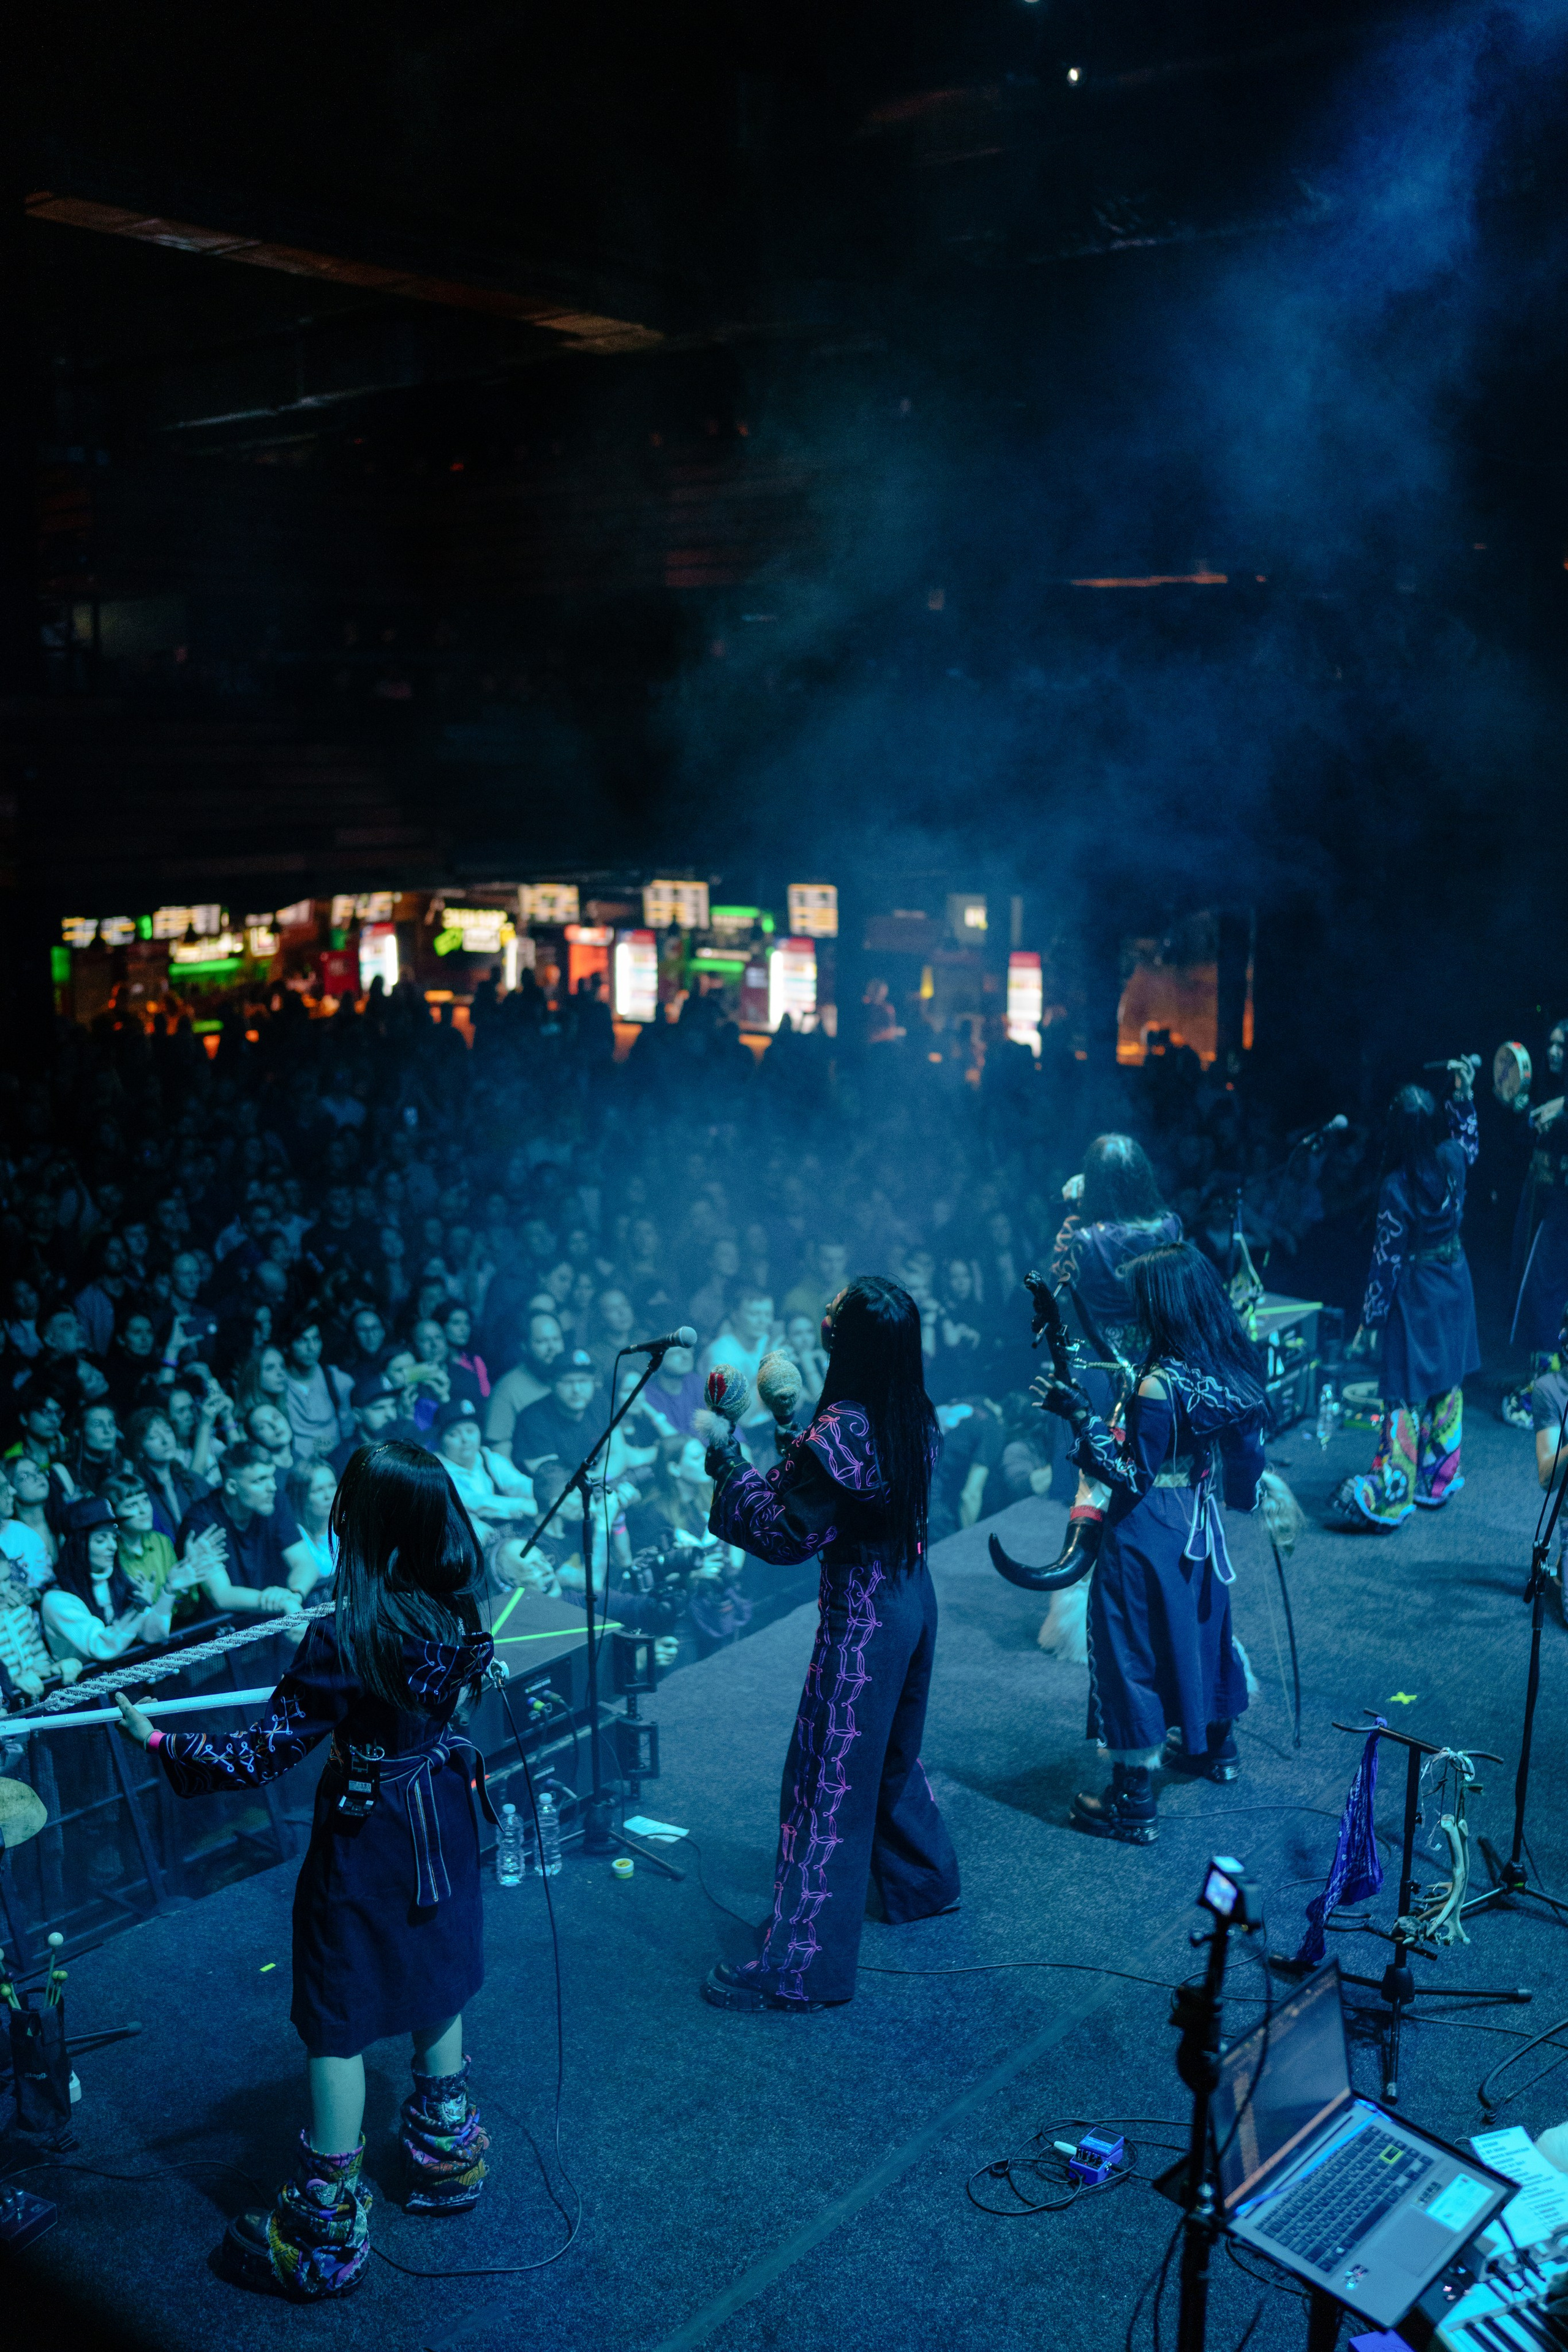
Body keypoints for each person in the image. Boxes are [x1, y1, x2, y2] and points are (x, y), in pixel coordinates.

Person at [115, 1442, 499, 2297]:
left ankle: (325, 2229)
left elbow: (262, 1752)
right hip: (438, 1810)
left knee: (339, 2011)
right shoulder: (455, 1608)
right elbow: (454, 1694)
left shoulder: (346, 1635)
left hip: (369, 1835)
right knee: (435, 1976)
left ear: (363, 1525)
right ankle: (446, 2160)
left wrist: (157, 1742)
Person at [698, 1275, 959, 2012]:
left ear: (848, 1342)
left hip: (866, 1616)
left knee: (825, 1783)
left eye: (834, 1316)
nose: (821, 1318)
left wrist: (729, 1461)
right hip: (912, 1593)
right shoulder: (911, 1409)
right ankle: (923, 1885)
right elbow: (839, 1489)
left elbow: (786, 1533)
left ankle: (799, 1967)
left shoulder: (843, 1425)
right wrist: (793, 1438)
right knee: (890, 1761)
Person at [1033, 1242, 1265, 1845]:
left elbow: (1132, 1472)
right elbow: (1246, 1453)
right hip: (1198, 1518)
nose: (1136, 1314)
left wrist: (1080, 1420)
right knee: (1202, 1630)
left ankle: (1131, 1801)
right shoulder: (1225, 1368)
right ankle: (1218, 1749)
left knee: (1128, 1650)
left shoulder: (1158, 1386)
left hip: (1146, 1528)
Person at [1335, 1065, 1479, 1530]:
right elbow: (1468, 1139)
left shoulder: (1396, 1187)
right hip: (1455, 1280)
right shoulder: (1453, 1159)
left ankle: (1394, 1491)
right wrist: (1464, 1094)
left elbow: (1387, 1260)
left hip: (1417, 1290)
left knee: (1404, 1388)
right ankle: (1437, 1481)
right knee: (1445, 1381)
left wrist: (1371, 1321)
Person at [40, 1496, 192, 1667]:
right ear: (78, 1546)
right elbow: (101, 1647)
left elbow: (153, 1635)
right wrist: (136, 1611)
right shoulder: (57, 1600)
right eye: (101, 1540)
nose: (112, 1546)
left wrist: (168, 1592)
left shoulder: (119, 1581)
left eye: (114, 1537)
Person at [176, 1442, 311, 1618]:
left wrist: (295, 1594)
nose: (273, 1487)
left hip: (274, 1616)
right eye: (260, 1480)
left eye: (271, 1476)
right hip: (226, 1633)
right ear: (232, 1487)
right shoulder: (201, 1520)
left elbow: (304, 1562)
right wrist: (283, 1601)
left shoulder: (276, 1501)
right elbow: (221, 1595)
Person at [432, 1398, 536, 1527]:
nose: (465, 1439)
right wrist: (521, 1505)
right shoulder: (434, 1470)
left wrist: (545, 1494)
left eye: (470, 1431)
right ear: (440, 1441)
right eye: (454, 1434)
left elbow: (519, 1484)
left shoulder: (488, 1458)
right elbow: (472, 1501)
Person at [483, 1309, 566, 1460]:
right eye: (542, 1341)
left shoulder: (572, 1380)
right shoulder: (507, 1389)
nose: (552, 1347)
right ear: (525, 1346)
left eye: (556, 1339)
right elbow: (499, 1456)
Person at [286, 1458, 340, 1595]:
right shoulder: (294, 1536)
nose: (329, 1495)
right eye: (318, 1490)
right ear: (301, 1496)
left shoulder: (347, 1526)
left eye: (332, 1486)